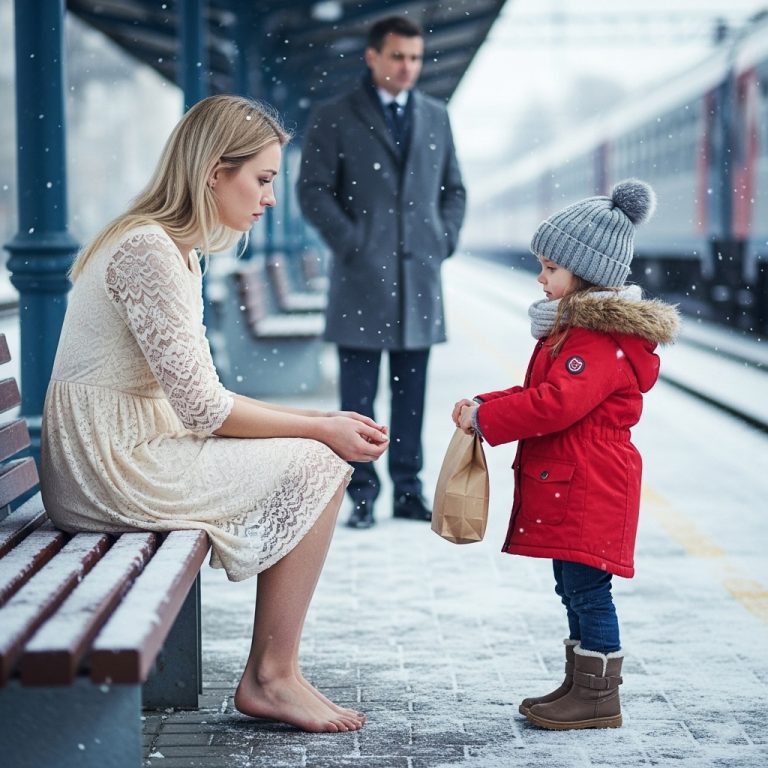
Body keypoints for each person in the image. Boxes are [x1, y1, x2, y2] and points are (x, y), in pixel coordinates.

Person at [39, 94, 390, 734]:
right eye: (261, 179)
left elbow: (200, 398)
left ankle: (276, 672)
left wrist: (314, 416)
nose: (270, 199)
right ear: (211, 173)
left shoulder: (165, 246)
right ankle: (271, 677)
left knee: (316, 448)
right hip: (113, 467)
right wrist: (318, 426)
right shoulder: (149, 251)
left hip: (125, 450)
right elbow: (204, 409)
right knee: (318, 461)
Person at [452, 179, 680, 730]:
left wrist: (490, 419)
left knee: (587, 587)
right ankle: (582, 685)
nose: (540, 277)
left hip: (589, 483)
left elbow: (556, 404)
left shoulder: (596, 340)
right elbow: (544, 393)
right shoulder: (578, 330)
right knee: (573, 585)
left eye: (551, 267)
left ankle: (599, 698)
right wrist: (487, 402)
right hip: (577, 478)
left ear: (586, 274)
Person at [297, 15, 466, 529]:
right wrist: (353, 243)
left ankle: (409, 491)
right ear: (373, 57)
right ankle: (362, 496)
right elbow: (313, 190)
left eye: (415, 57)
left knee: (411, 396)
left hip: (418, 280)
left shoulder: (437, 116)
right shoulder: (335, 115)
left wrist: (443, 239)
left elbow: (454, 190)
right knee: (359, 401)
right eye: (398, 56)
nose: (408, 67)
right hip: (360, 279)